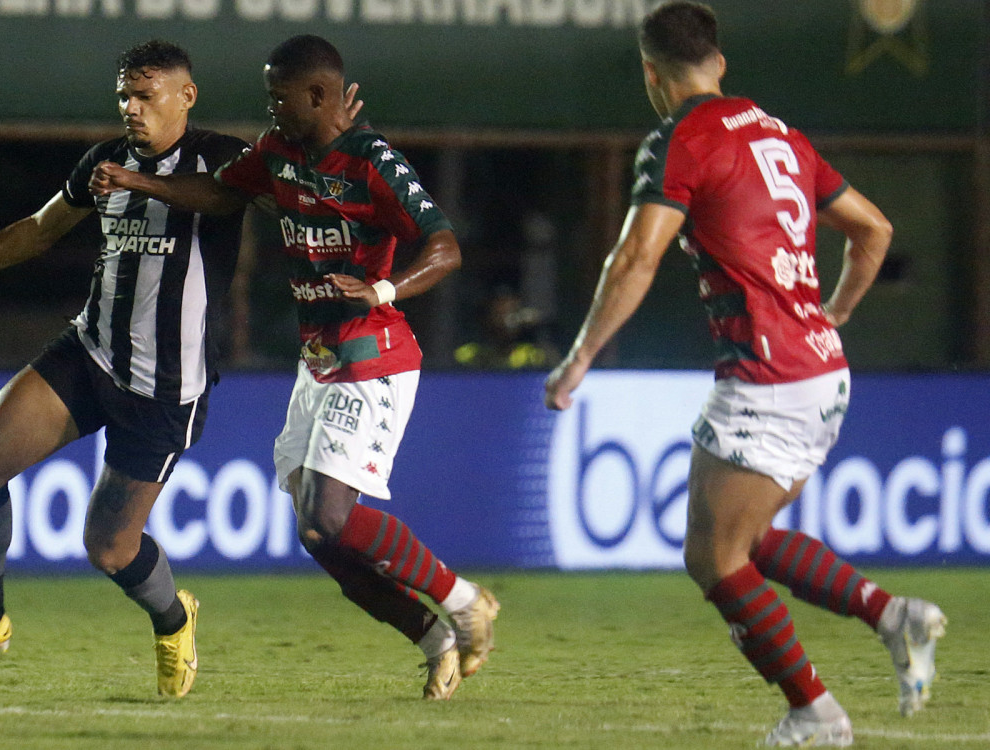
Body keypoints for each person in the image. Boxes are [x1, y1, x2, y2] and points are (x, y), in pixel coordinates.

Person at [543, 3, 944, 745]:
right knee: (751, 540)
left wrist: (579, 359)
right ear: (720, 62)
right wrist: (838, 310)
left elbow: (636, 257)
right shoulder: (783, 137)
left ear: (650, 74)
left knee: (712, 556)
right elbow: (874, 230)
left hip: (767, 377)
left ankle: (815, 711)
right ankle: (895, 616)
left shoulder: (680, 140)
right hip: (822, 370)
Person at [90, 34, 500, 701]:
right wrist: (139, 180)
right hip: (319, 364)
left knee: (333, 517)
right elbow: (220, 192)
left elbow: (445, 247)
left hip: (376, 355)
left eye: (281, 97)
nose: (270, 107)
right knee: (317, 536)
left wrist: (384, 289)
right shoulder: (280, 153)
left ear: (319, 95)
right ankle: (434, 638)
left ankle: (464, 600)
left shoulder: (372, 162)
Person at [0, 40, 256, 699]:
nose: (132, 109)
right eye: (124, 97)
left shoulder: (222, 159)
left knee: (109, 550)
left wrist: (139, 183)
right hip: (89, 352)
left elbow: (220, 201)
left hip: (166, 385)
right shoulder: (104, 161)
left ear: (185, 97)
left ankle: (174, 618)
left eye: (146, 96)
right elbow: (38, 228)